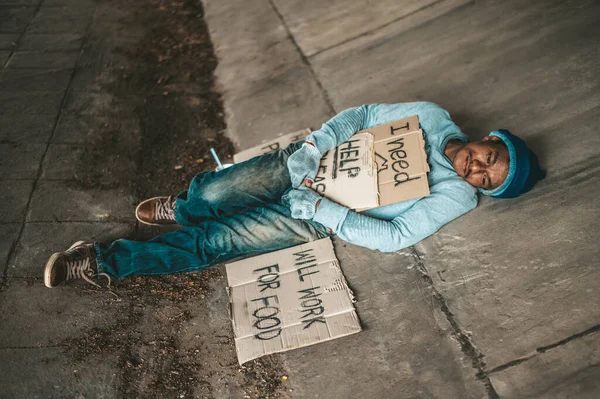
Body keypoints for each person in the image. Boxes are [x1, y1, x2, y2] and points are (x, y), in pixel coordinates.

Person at [43, 102, 545, 288]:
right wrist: (313, 147)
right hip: (310, 165)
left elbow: (396, 236)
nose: (477, 171)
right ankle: (187, 206)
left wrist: (323, 210)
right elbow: (363, 115)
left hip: (318, 215)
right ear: (490, 139)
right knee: (216, 193)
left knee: (215, 244)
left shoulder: (457, 196)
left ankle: (102, 262)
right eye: (489, 160)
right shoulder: (432, 117)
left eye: (487, 181)